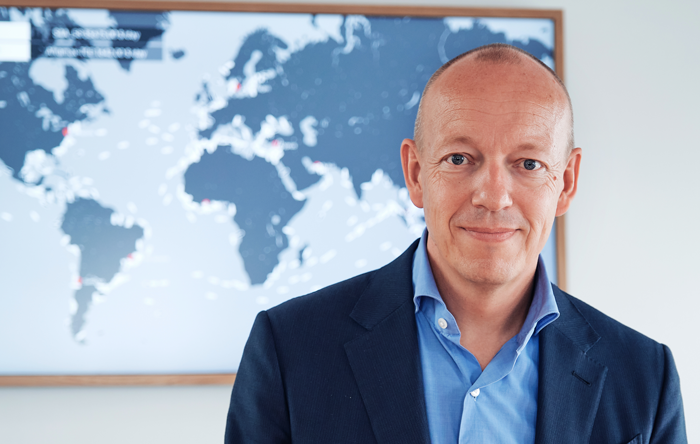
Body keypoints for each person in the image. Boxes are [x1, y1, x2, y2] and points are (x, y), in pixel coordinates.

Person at [225, 43, 687, 443]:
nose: (493, 196)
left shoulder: (645, 375)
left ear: (565, 182)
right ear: (415, 173)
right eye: (460, 158)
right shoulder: (290, 351)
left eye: (528, 164)